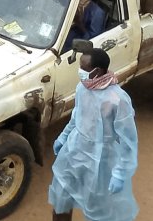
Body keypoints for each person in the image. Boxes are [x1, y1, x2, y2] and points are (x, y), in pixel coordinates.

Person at [49, 48, 138, 221]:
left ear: (97, 71)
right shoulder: (83, 88)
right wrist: (64, 136)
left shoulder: (117, 100)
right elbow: (77, 116)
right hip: (74, 151)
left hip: (101, 161)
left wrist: (120, 173)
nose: (80, 71)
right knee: (61, 197)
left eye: (84, 67)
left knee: (97, 210)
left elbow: (129, 141)